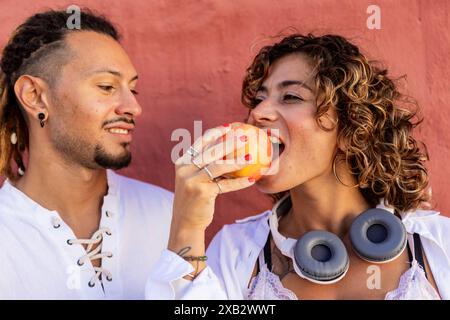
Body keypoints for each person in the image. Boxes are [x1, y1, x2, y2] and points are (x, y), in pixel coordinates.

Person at [146, 34, 450, 300]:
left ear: (350, 129)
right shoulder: (236, 249)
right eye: (258, 99)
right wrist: (187, 228)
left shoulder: (438, 244)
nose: (258, 113)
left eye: (290, 96)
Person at [0, 9, 173, 299]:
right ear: (35, 96)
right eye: (106, 87)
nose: (133, 107)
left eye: (133, 89)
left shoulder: (170, 213)